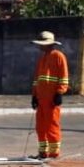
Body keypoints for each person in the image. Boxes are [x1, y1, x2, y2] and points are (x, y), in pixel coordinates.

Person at [30, 30, 69, 159]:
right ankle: (43, 152)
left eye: (42, 43)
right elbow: (37, 80)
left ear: (49, 44)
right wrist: (34, 96)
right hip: (41, 99)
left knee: (52, 126)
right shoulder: (42, 59)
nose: (39, 46)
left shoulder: (58, 56)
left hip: (52, 99)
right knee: (40, 126)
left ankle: (53, 154)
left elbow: (64, 77)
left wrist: (59, 93)